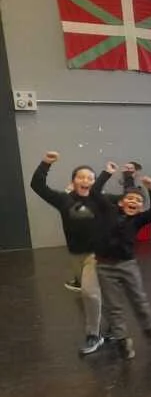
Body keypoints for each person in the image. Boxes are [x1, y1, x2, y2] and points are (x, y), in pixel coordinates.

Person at [30, 151, 108, 355]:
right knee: (90, 292)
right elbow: (37, 186)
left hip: (95, 254)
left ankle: (94, 335)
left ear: (94, 182)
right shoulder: (63, 200)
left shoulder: (101, 201)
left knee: (89, 293)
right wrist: (45, 163)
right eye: (81, 177)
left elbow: (126, 203)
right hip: (75, 255)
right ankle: (109, 322)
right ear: (73, 181)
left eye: (90, 178)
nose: (85, 180)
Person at [91, 162, 151, 360]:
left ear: (140, 208)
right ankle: (122, 340)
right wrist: (106, 173)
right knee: (113, 306)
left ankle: (150, 331)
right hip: (104, 266)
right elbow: (95, 193)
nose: (133, 202)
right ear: (121, 203)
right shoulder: (109, 210)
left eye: (138, 201)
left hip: (127, 265)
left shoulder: (138, 220)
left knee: (139, 300)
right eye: (129, 199)